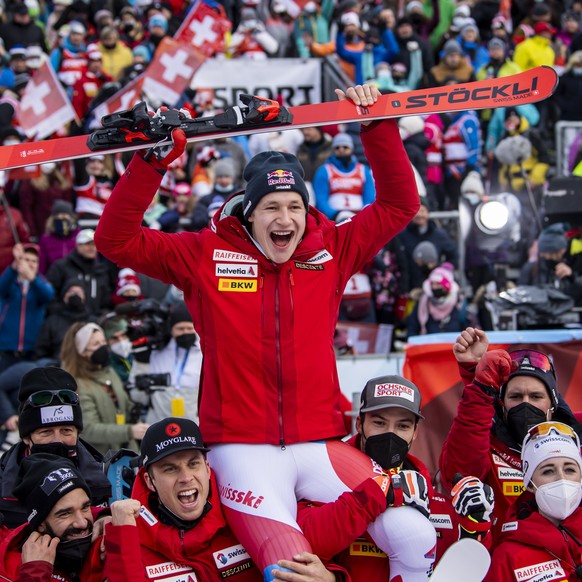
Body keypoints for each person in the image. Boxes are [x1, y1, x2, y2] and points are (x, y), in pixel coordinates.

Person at [94, 84, 436, 581]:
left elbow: (400, 204)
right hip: (241, 447)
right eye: (272, 207)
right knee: (290, 570)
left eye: (295, 207)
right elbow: (115, 239)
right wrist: (152, 165)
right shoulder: (202, 254)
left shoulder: (331, 251)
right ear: (249, 213)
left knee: (415, 534)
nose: (285, 219)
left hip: (320, 440)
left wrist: (377, 124)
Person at [103, 417, 349, 582]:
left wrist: (332, 578)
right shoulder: (124, 536)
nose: (186, 477)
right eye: (170, 469)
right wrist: (117, 533)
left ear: (208, 467)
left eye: (193, 464)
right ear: (149, 481)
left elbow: (306, 557)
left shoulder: (245, 512)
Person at [297, 375, 494, 579]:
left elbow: (457, 573)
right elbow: (304, 538)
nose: (390, 434)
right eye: (379, 423)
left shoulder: (435, 502)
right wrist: (377, 494)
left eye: (402, 426)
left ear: (415, 432)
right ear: (359, 424)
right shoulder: (325, 479)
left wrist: (474, 531)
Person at [439, 327, 582, 539]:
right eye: (515, 396)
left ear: (553, 404)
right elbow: (459, 474)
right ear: (502, 404)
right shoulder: (486, 442)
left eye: (535, 396)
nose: (526, 404)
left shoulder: (575, 440)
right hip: (499, 560)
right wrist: (479, 384)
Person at [0, 366, 111, 529]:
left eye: (66, 431)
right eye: (46, 432)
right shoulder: (3, 483)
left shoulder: (109, 476)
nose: (57, 441)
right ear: (25, 437)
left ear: (78, 433)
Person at [486, 422, 582, 580]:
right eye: (548, 471)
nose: (561, 479)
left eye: (570, 469)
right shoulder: (509, 555)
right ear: (530, 483)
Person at [0, 453, 101, 581]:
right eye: (65, 513)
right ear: (41, 524)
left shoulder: (105, 543)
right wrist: (35, 573)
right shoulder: (9, 570)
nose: (82, 523)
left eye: (85, 507)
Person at [60, 322, 149, 454]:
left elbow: (124, 403)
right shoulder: (78, 385)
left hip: (127, 451)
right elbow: (88, 429)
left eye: (103, 342)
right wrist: (129, 431)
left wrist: (136, 418)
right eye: (96, 344)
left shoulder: (109, 372)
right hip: (101, 459)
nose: (103, 348)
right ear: (82, 351)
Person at [0, 243, 55, 374]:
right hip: (7, 349)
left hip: (32, 350)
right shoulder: (11, 282)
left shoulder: (41, 283)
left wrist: (32, 278)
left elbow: (48, 295)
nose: (30, 264)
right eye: (26, 259)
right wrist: (14, 266)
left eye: (34, 261)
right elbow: (1, 287)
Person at [45, 229, 112, 317]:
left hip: (93, 321)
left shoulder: (101, 270)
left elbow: (105, 299)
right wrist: (61, 313)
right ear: (78, 246)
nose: (91, 248)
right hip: (67, 320)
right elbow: (51, 295)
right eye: (87, 244)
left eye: (94, 244)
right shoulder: (61, 267)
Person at [313, 132, 376, 219]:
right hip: (334, 217)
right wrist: (335, 214)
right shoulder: (324, 170)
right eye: (337, 147)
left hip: (359, 216)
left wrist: (363, 215)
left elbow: (369, 197)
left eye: (345, 147)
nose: (341, 150)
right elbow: (321, 199)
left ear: (351, 149)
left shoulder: (363, 170)